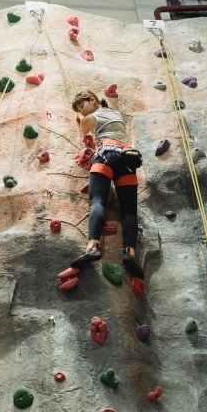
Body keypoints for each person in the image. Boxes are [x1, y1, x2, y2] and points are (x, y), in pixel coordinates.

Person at [69, 90, 144, 280]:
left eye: (82, 106)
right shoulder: (115, 113)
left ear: (92, 100)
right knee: (129, 211)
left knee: (97, 202)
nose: (81, 111)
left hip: (106, 154)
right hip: (128, 159)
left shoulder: (93, 115)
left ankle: (93, 247)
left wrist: (82, 121)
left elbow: (84, 129)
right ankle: (130, 253)